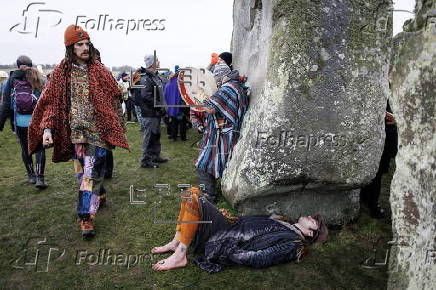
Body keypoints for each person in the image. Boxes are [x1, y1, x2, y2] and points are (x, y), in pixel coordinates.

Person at [27, 25, 129, 239]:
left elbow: (115, 94)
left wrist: (118, 104)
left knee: (90, 174)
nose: (84, 48)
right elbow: (50, 103)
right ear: (70, 48)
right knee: (86, 174)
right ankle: (91, 206)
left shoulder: (100, 70)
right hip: (74, 135)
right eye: (79, 44)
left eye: (86, 44)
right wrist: (47, 129)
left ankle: (90, 208)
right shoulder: (60, 73)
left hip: (98, 134)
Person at [151, 187, 328, 272]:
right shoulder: (283, 220)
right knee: (192, 192)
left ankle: (180, 255)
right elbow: (247, 223)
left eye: (315, 222)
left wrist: (231, 251)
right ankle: (176, 243)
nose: (312, 217)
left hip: (225, 240)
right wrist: (228, 217)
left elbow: (262, 258)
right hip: (229, 228)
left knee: (193, 198)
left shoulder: (293, 243)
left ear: (310, 233)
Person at [195, 54, 249, 202]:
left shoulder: (227, 88)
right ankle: (212, 191)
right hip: (227, 132)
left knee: (203, 163)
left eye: (216, 79)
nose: (216, 83)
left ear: (219, 77)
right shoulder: (236, 85)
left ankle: (208, 195)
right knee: (209, 163)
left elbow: (210, 108)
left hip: (225, 134)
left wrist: (199, 95)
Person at [0, 56, 47, 188]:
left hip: (19, 122)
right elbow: (45, 100)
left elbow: (5, 104)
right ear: (31, 64)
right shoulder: (39, 78)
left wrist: (1, 122)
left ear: (18, 65)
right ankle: (40, 178)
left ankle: (31, 176)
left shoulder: (11, 80)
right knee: (39, 149)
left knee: (25, 148)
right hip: (36, 121)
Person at [360, 100, 398, 218]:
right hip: (370, 123)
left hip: (388, 129)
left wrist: (399, 118)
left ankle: (371, 202)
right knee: (369, 165)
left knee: (378, 169)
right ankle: (366, 199)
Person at [133, 54, 168, 168]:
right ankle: (145, 160)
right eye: (157, 60)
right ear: (153, 63)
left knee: (156, 135)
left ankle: (155, 156)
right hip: (150, 113)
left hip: (155, 112)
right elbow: (146, 95)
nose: (159, 62)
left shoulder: (153, 76)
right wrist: (159, 105)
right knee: (149, 137)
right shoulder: (146, 77)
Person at [164, 68, 188, 141]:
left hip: (171, 106)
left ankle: (174, 137)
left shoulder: (168, 83)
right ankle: (183, 137)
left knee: (174, 121)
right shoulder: (179, 83)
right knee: (182, 122)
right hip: (179, 105)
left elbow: (165, 95)